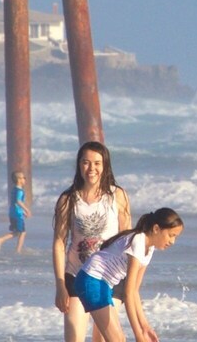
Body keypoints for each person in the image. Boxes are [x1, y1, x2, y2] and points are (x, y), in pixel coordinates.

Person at [51, 141, 134, 342]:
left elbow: (128, 242)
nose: (91, 168)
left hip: (108, 279)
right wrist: (60, 285)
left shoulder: (118, 196)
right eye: (86, 163)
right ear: (79, 165)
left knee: (103, 339)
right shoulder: (68, 199)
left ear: (105, 165)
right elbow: (59, 243)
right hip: (75, 276)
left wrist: (130, 284)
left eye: (97, 163)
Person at [72, 208, 183, 342]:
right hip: (91, 280)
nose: (172, 242)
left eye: (175, 237)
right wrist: (138, 335)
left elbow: (135, 291)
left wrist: (145, 327)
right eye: (171, 235)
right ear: (156, 229)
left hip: (104, 284)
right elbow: (128, 293)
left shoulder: (149, 248)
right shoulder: (138, 241)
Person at [0, 171, 30, 254]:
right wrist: (26, 210)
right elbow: (18, 201)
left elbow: (14, 203)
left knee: (17, 232)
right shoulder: (20, 191)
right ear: (19, 180)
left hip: (13, 213)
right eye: (24, 178)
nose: (25, 180)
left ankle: (2, 241)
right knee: (22, 233)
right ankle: (17, 250)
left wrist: (22, 212)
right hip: (17, 214)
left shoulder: (14, 190)